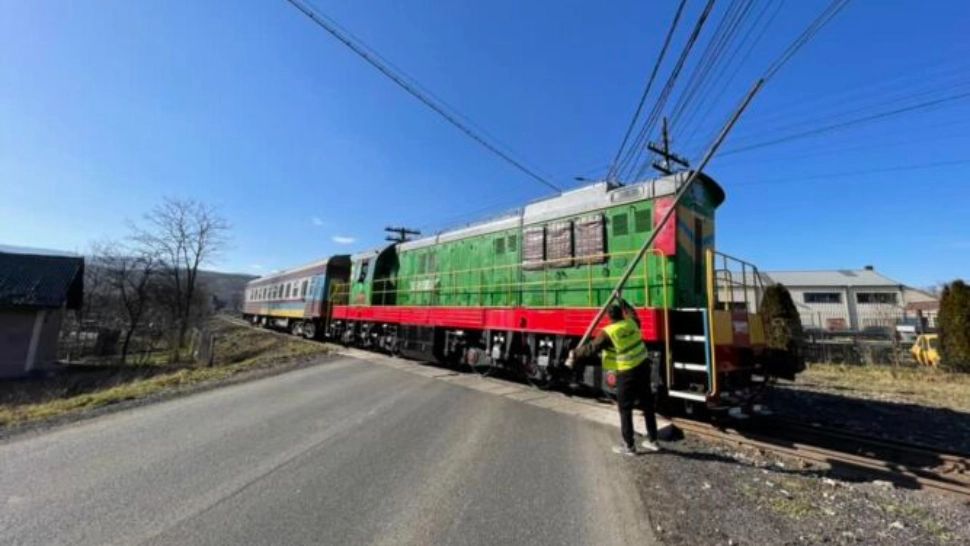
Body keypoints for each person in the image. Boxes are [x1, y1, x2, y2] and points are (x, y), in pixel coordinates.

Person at [570, 301, 659, 456]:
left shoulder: (608, 332)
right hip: (643, 367)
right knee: (647, 404)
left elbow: (591, 348)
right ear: (622, 314)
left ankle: (629, 446)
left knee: (625, 409)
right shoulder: (632, 323)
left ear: (608, 317)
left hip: (626, 372)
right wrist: (623, 301)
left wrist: (574, 354)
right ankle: (653, 440)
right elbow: (633, 313)